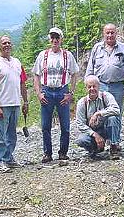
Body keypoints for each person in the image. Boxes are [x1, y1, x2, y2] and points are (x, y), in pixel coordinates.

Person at [32, 27, 79, 163]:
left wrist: (71, 93)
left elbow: (75, 74)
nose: (54, 40)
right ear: (49, 39)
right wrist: (39, 93)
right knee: (45, 125)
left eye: (57, 37)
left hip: (62, 91)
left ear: (61, 39)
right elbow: (36, 75)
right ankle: (47, 153)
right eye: (52, 37)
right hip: (46, 91)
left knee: (65, 125)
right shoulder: (43, 55)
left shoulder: (68, 55)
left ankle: (63, 152)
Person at [85, 23, 124, 156]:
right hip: (101, 86)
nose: (110, 35)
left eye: (112, 32)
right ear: (103, 34)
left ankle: (115, 143)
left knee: (116, 114)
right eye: (107, 33)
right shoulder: (97, 48)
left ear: (116, 33)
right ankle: (100, 142)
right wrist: (89, 85)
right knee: (100, 114)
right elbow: (90, 68)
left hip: (117, 86)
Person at [0, 35, 28, 173]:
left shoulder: (17, 62)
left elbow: (22, 83)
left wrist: (25, 101)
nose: (7, 45)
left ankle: (8, 158)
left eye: (9, 42)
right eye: (4, 43)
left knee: (12, 135)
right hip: (2, 105)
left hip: (15, 103)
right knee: (1, 135)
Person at [75, 75, 121, 159]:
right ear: (86, 88)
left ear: (99, 86)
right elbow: (80, 124)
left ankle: (114, 146)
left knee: (113, 118)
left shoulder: (106, 96)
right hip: (92, 131)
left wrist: (99, 113)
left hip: (106, 128)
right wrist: (95, 135)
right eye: (89, 86)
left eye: (94, 86)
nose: (92, 89)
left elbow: (117, 110)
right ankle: (95, 148)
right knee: (81, 140)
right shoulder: (82, 103)